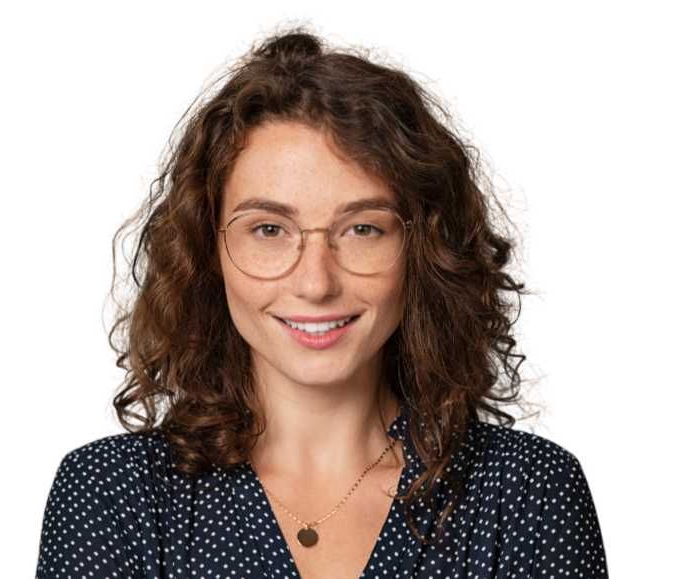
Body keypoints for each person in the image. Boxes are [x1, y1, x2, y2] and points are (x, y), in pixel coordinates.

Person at [35, 27, 609, 578]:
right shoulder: (112, 494)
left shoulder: (529, 493)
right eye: (268, 230)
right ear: (208, 251)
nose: (315, 283)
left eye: (362, 229)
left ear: (422, 250)